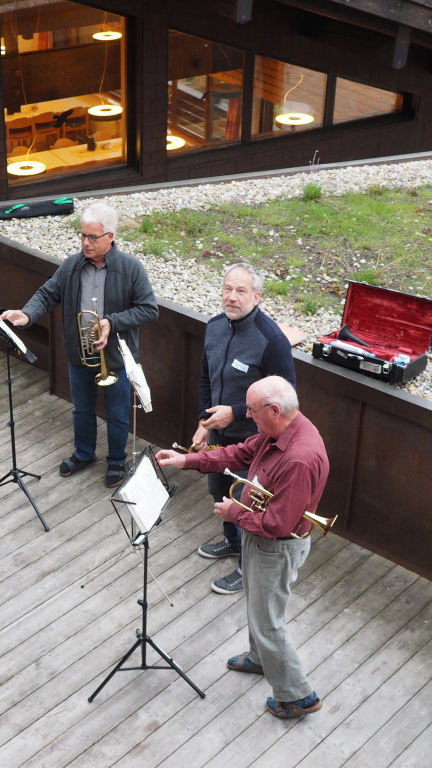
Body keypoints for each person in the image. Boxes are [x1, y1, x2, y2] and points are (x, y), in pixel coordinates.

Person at [155, 376, 328, 719]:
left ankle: (299, 696)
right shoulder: (280, 431)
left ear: (274, 410)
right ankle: (261, 658)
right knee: (259, 610)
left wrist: (234, 513)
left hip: (274, 547)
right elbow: (240, 452)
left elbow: (278, 524)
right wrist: (186, 460)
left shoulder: (299, 458)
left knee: (269, 623)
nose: (246, 416)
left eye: (251, 410)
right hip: (260, 539)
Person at [0, 202, 158, 488]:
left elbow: (149, 309)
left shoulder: (131, 268)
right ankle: (84, 453)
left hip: (116, 357)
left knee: (117, 414)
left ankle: (116, 461)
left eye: (92, 237)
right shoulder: (72, 265)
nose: (86, 242)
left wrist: (112, 322)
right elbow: (47, 294)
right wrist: (27, 314)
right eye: (83, 235)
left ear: (110, 236)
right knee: (82, 409)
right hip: (80, 355)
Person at [193, 263, 296, 595]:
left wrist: (235, 413)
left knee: (248, 505)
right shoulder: (214, 327)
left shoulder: (272, 341)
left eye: (241, 291)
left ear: (257, 297)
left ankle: (247, 568)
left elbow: (286, 398)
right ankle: (232, 542)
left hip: (255, 442)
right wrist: (204, 421)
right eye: (227, 289)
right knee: (218, 491)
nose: (232, 297)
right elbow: (206, 377)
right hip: (219, 435)